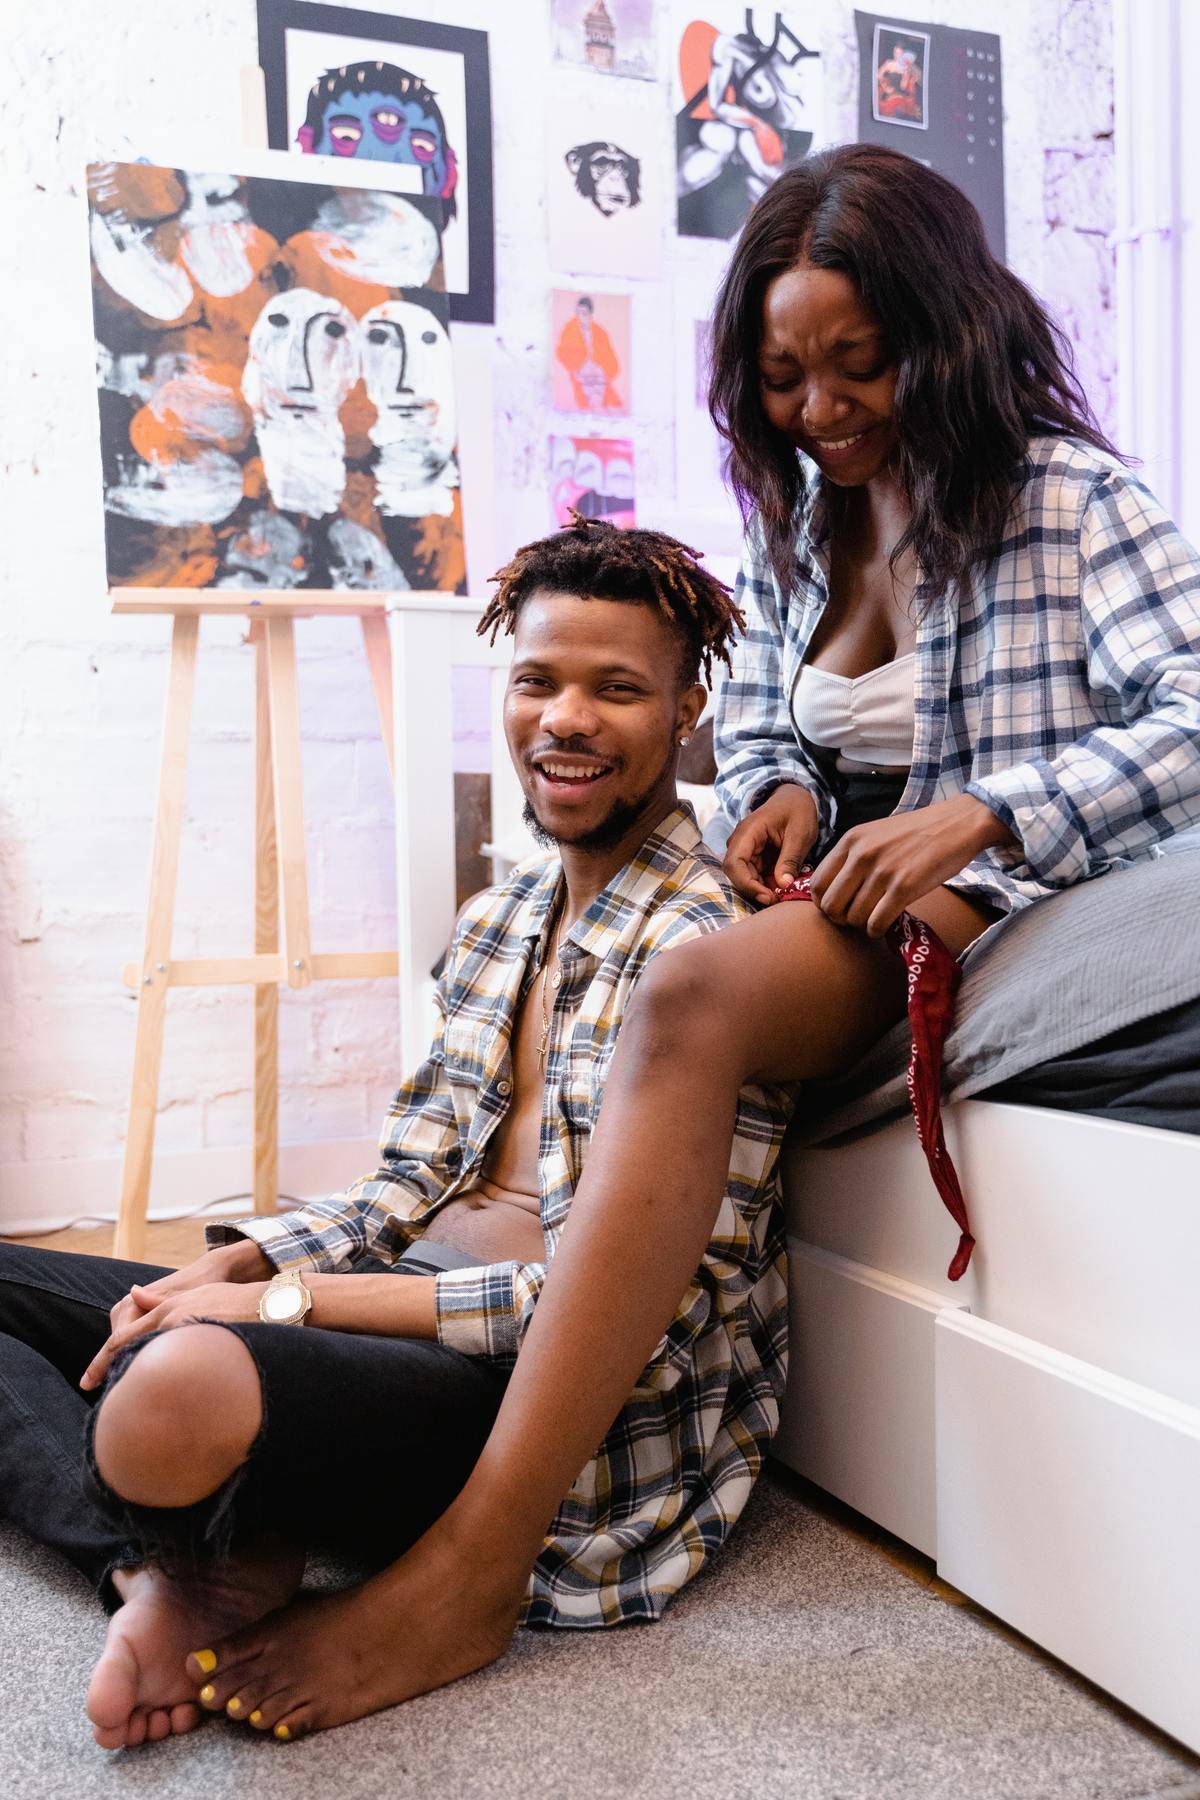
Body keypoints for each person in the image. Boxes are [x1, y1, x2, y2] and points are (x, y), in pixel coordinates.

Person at [182, 139, 1198, 1733]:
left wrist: (991, 814)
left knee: (693, 987)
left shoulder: (1070, 498)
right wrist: (780, 787)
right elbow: (801, 726)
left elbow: (1193, 709)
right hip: (851, 885)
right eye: (788, 375)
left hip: (995, 888)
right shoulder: (811, 514)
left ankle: (477, 1560)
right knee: (640, 962)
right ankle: (439, 1346)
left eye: (863, 365)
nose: (825, 408)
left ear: (953, 333)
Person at [0, 518, 795, 1749]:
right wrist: (251, 1261)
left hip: (528, 1403)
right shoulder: (499, 920)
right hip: (385, 1314)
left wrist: (282, 1312)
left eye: (618, 689)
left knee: (169, 1401)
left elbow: (644, 1308)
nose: (567, 719)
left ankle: (221, 1527)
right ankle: (154, 1574)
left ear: (688, 711)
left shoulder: (717, 958)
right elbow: (407, 1183)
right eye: (538, 680)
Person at [554, 296, 624, 413]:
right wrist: (574, 367)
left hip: (598, 373)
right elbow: (561, 351)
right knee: (588, 405)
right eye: (578, 313)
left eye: (584, 313)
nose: (580, 316)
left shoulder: (600, 332)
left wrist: (606, 372)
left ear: (590, 315)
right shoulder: (569, 328)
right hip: (581, 372)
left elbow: (610, 355)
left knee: (613, 407)